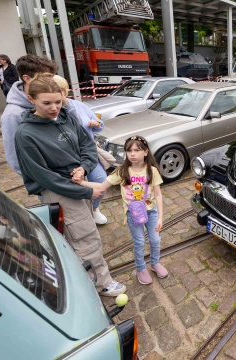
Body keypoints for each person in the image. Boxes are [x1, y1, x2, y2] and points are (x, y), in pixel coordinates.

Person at [14, 75, 125, 297]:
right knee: (85, 237)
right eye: (47, 103)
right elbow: (46, 178)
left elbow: (87, 144)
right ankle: (100, 283)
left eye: (58, 101)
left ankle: (80, 276)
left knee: (75, 235)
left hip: (77, 181)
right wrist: (86, 190)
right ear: (31, 99)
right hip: (60, 191)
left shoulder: (66, 117)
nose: (54, 107)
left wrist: (83, 167)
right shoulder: (26, 134)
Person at [74, 136, 168, 284]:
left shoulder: (152, 170)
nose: (132, 154)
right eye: (129, 150)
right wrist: (82, 182)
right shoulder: (122, 171)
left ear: (146, 152)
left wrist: (161, 217)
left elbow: (157, 194)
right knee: (140, 242)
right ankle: (140, 268)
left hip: (151, 211)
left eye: (137, 150)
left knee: (155, 239)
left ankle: (155, 263)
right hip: (134, 214)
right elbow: (101, 186)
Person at [52, 75, 108, 225]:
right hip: (68, 158)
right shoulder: (51, 111)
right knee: (75, 187)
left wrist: (96, 123)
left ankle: (95, 209)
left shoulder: (79, 105)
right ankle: (80, 216)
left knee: (101, 180)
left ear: (65, 91)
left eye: (60, 90)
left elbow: (100, 124)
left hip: (88, 153)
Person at [2, 55, 58, 175]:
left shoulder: (53, 101)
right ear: (26, 78)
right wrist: (41, 182)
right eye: (44, 77)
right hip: (47, 181)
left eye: (51, 77)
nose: (50, 82)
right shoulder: (13, 115)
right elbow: (15, 157)